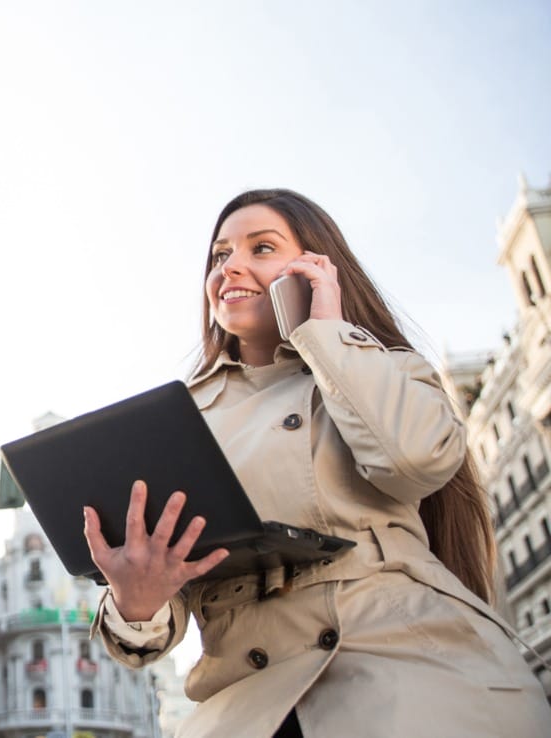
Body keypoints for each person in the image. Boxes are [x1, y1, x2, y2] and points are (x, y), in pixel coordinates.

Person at [81, 189, 551, 737]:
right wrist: (136, 603)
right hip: (246, 707)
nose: (230, 266)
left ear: (317, 266)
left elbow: (414, 460)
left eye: (262, 248)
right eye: (219, 255)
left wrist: (324, 333)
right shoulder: (176, 423)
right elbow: (165, 601)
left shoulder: (386, 368)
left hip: (412, 676)